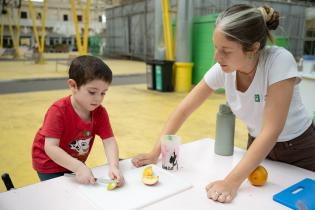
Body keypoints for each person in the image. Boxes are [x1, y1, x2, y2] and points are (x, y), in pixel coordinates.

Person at [132, 4, 315, 203]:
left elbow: (271, 130)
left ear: (253, 47)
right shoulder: (223, 69)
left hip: (299, 149)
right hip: (258, 146)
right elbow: (183, 110)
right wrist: (154, 153)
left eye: (225, 51)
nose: (216, 57)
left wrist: (231, 182)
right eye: (216, 48)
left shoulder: (278, 61)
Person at [32, 55, 124, 187]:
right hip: (48, 163)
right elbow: (51, 147)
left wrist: (114, 166)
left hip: (74, 162)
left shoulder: (99, 112)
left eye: (103, 93)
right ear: (73, 85)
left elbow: (109, 141)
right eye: (92, 92)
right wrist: (79, 167)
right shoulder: (58, 111)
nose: (98, 99)